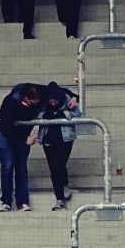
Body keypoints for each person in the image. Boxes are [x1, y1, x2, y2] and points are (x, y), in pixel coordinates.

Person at [0, 82, 43, 211]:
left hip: (24, 133)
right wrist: (24, 139)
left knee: (21, 168)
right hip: (7, 135)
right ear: (26, 98)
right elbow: (4, 127)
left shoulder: (40, 93)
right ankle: (6, 201)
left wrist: (73, 97)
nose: (36, 105)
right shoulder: (10, 103)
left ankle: (22, 201)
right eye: (34, 102)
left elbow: (57, 90)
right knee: (8, 167)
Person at [39, 81, 81, 211]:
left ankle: (65, 183)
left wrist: (61, 114)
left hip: (65, 138)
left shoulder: (68, 99)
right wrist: (49, 115)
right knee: (53, 169)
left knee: (58, 166)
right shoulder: (41, 101)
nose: (52, 103)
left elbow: (77, 114)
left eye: (55, 101)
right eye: (50, 101)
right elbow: (39, 115)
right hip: (47, 139)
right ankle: (59, 200)